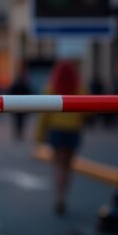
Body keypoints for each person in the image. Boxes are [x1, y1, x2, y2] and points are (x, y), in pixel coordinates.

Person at [35, 60, 87, 216]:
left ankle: (59, 197)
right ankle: (64, 195)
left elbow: (44, 113)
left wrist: (39, 135)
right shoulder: (79, 87)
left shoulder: (51, 87)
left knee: (58, 165)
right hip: (73, 130)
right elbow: (88, 109)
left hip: (56, 129)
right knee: (68, 165)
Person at [8, 68, 32, 140]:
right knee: (20, 121)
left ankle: (18, 133)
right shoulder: (24, 85)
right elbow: (29, 94)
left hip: (17, 106)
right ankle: (19, 133)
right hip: (22, 106)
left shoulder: (17, 84)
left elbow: (11, 93)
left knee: (18, 121)